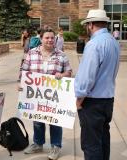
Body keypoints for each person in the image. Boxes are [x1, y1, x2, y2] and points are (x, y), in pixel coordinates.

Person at [19, 28, 72, 160]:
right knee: (37, 119)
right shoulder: (32, 53)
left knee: (54, 121)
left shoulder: (61, 55)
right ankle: (38, 143)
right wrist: (20, 83)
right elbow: (24, 70)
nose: (50, 40)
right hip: (36, 95)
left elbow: (69, 72)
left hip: (54, 96)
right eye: (47, 38)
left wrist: (62, 74)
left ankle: (56, 146)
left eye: (52, 38)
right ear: (41, 39)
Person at [74, 9, 120, 160]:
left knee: (91, 144)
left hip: (93, 102)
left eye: (88, 25)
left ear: (91, 24)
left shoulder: (94, 44)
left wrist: (79, 99)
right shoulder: (113, 41)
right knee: (103, 139)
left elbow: (87, 77)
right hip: (108, 99)